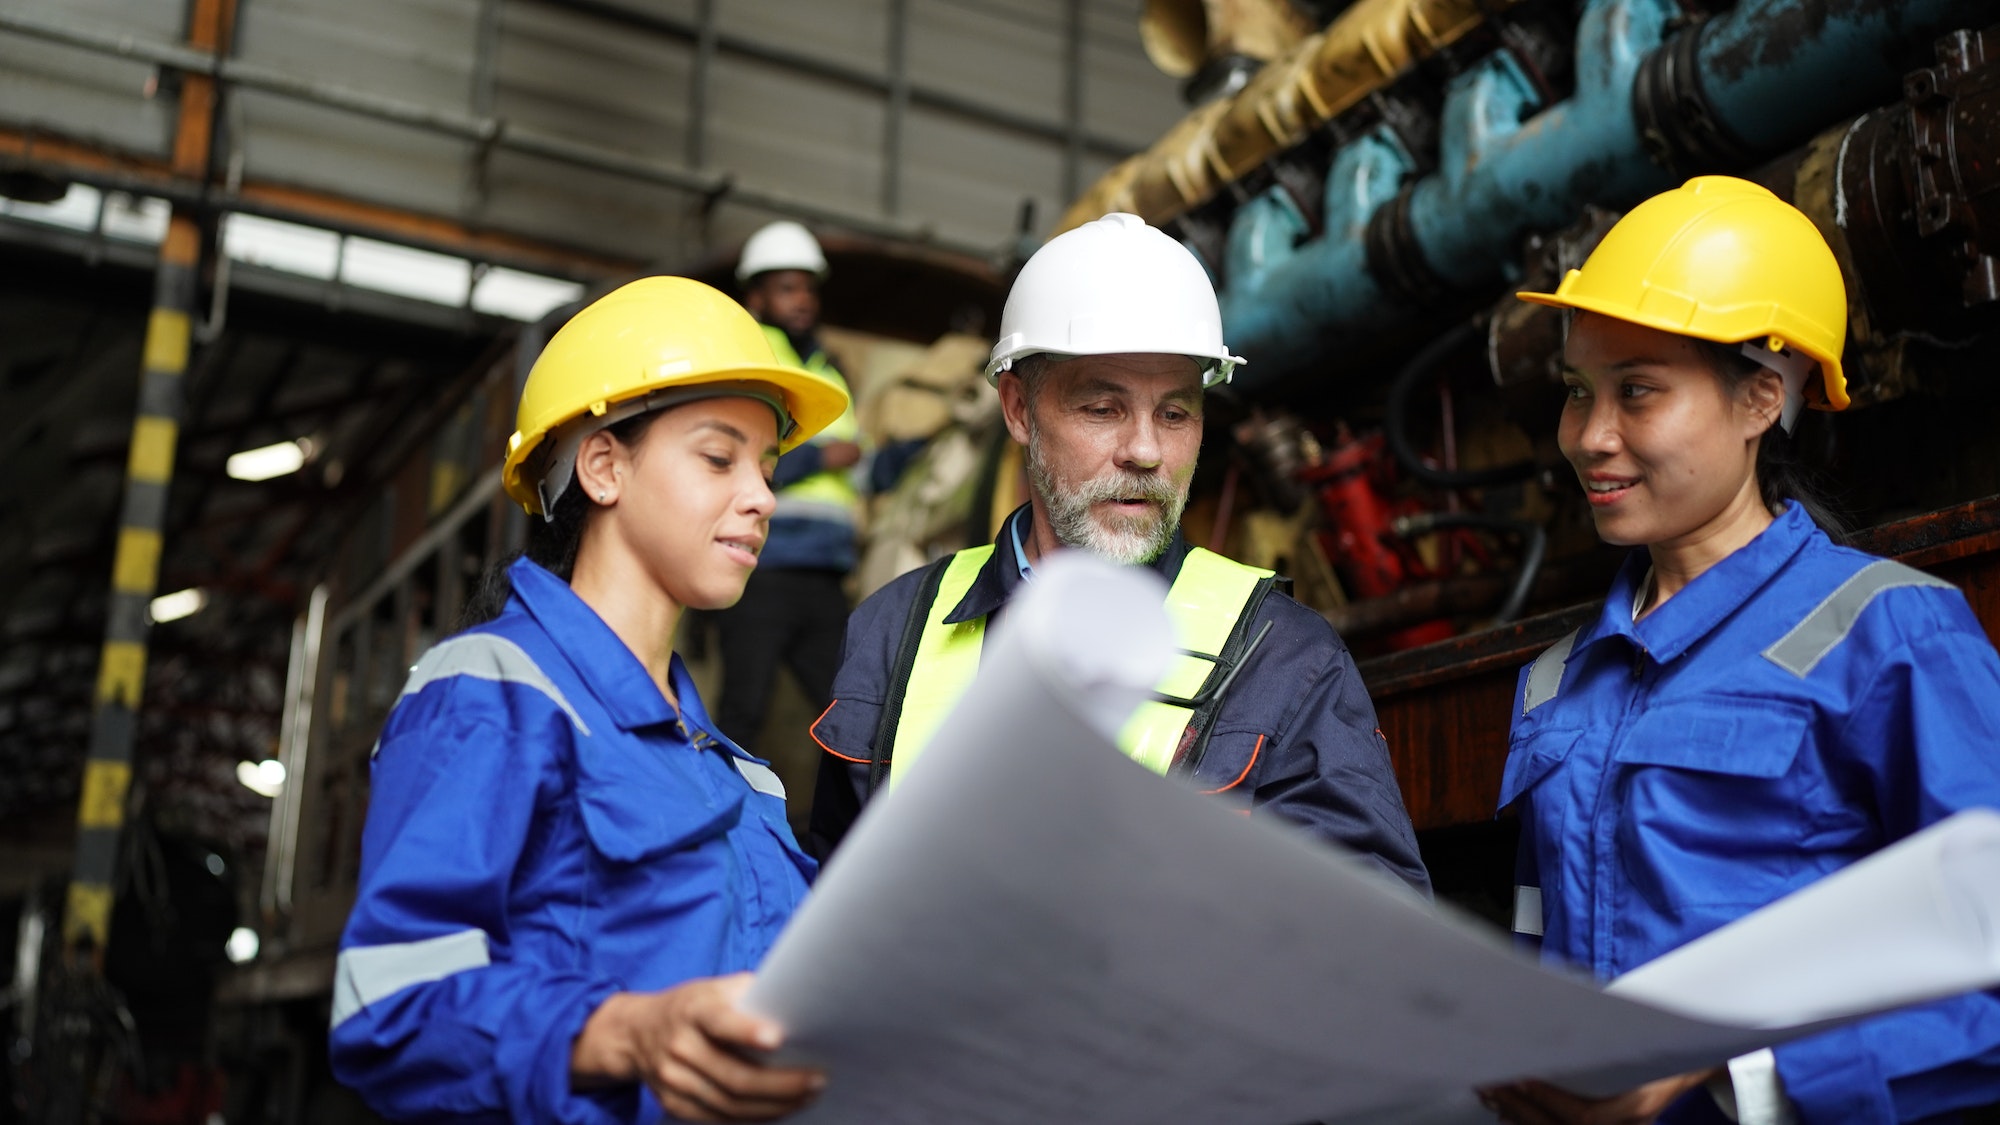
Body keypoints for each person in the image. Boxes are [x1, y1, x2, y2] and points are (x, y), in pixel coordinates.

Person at [1484, 177, 2000, 1125]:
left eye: (1636, 391)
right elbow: (1536, 953)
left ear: (1762, 398)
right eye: (1576, 393)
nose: (1590, 438)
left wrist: (1738, 1077)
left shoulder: (1891, 635)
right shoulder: (1556, 681)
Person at [327, 277, 851, 1124]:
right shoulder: (494, 694)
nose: (762, 497)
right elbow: (390, 1005)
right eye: (720, 457)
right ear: (605, 466)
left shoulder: (740, 775)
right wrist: (626, 1033)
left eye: (768, 465)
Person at [806, 212, 1430, 896]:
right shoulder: (893, 633)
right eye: (1103, 408)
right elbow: (824, 905)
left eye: (1175, 412)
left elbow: (1367, 947)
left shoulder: (1285, 660)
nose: (1146, 451)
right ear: (1017, 408)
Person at [712, 221, 863, 757]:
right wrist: (822, 456)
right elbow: (731, 454)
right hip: (763, 566)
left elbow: (856, 474)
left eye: (807, 287)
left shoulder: (828, 369)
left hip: (825, 574)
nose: (802, 299)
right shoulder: (754, 359)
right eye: (786, 287)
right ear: (756, 299)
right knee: (743, 710)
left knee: (850, 709)